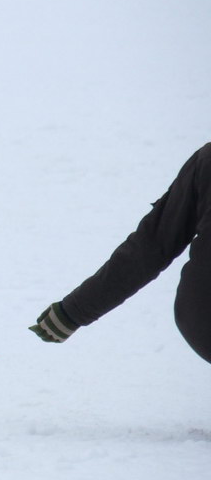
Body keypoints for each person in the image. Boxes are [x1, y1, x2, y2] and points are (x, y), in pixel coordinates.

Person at [30, 143, 211, 364]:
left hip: (199, 317)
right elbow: (152, 244)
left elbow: (151, 245)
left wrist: (72, 312)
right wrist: (73, 311)